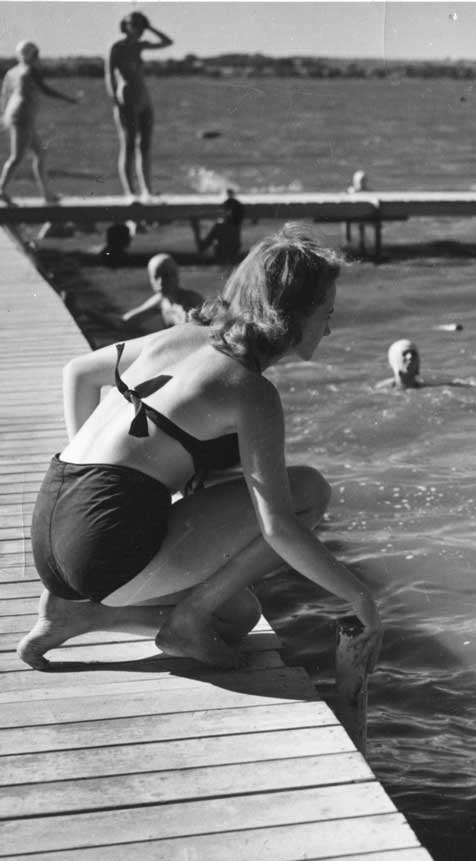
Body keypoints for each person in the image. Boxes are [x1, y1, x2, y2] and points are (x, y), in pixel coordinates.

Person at [18, 225, 381, 672]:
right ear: (293, 312)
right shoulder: (249, 390)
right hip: (99, 545)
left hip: (51, 523)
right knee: (308, 491)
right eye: (326, 311)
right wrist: (359, 597)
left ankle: (78, 613)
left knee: (239, 614)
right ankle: (186, 619)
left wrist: (101, 485)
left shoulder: (184, 336)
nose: (330, 325)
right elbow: (278, 528)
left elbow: (78, 372)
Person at [0, 41, 78, 203]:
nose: (38, 57)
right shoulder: (30, 70)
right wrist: (69, 99)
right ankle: (1, 189)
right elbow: (45, 89)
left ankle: (47, 194)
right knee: (17, 157)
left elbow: (5, 96)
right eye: (36, 54)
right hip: (23, 118)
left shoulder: (12, 72)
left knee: (40, 154)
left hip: (16, 116)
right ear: (30, 55)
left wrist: (4, 116)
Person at [106, 11, 173, 199]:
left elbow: (168, 42)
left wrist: (149, 26)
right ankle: (130, 192)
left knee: (145, 146)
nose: (138, 29)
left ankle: (147, 190)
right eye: (134, 24)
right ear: (126, 26)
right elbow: (109, 74)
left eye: (140, 25)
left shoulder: (140, 46)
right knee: (128, 146)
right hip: (126, 99)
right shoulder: (117, 47)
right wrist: (114, 100)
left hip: (144, 99)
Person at [120, 253, 204, 328]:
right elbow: (129, 320)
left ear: (176, 276)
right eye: (156, 277)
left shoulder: (193, 302)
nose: (161, 283)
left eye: (166, 276)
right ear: (150, 279)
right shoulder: (161, 301)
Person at [191, 193, 244, 264]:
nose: (222, 211)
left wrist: (196, 230)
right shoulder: (237, 227)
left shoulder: (220, 227)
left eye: (224, 209)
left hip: (221, 265)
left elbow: (202, 247)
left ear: (229, 212)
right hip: (235, 264)